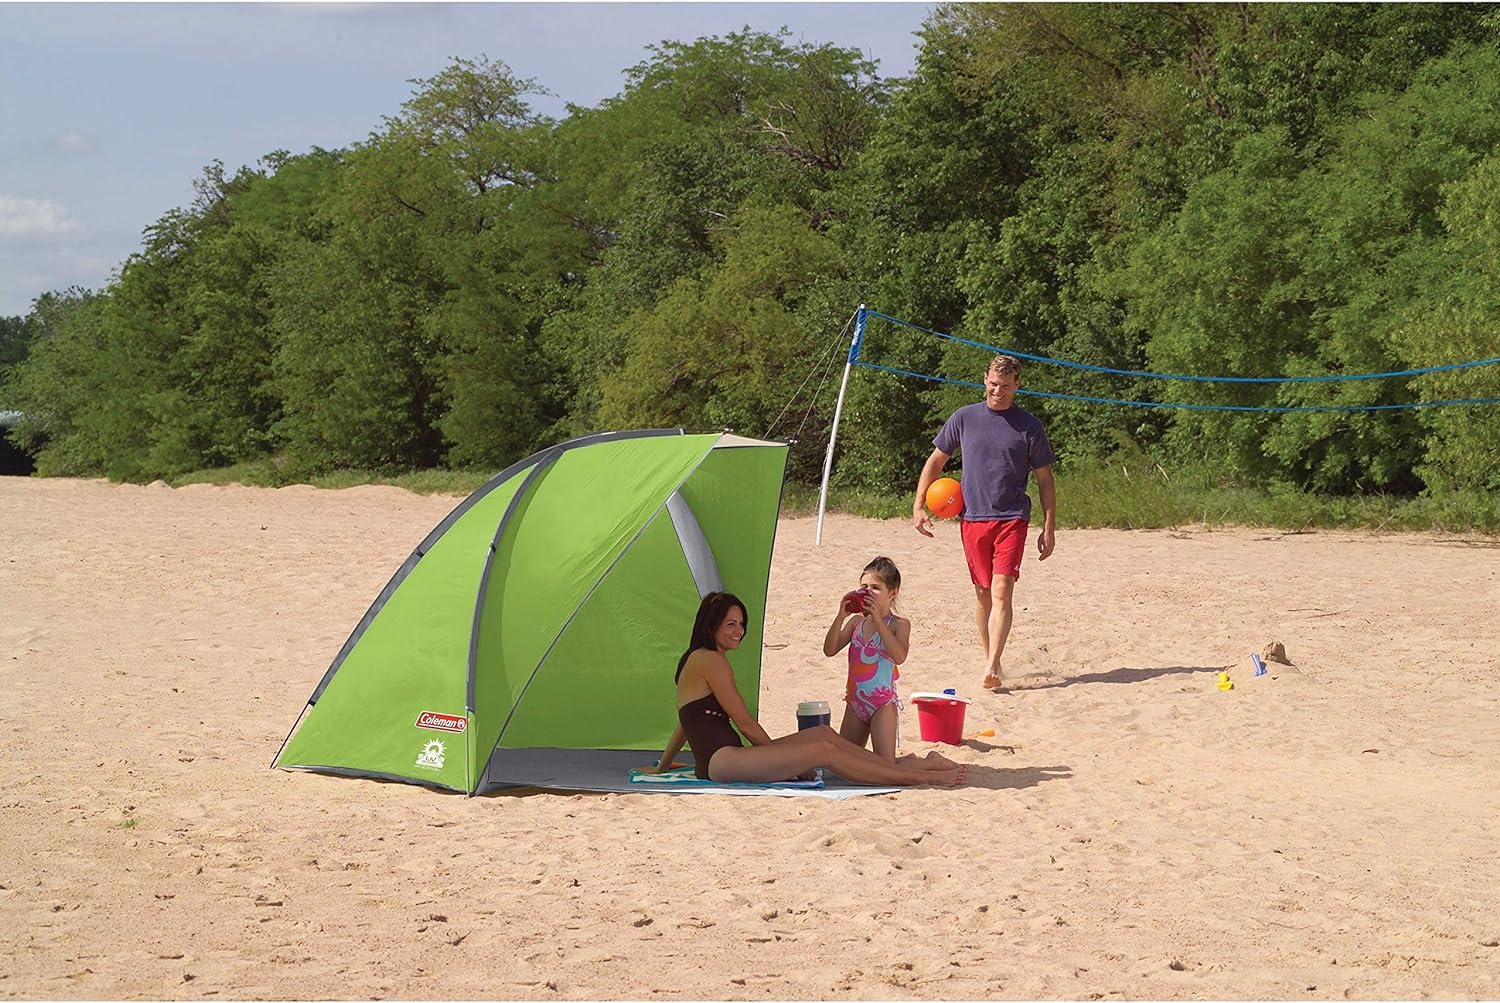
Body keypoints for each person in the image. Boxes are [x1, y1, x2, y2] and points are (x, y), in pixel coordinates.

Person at [643, 592, 966, 787]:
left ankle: (914, 765)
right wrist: (782, 761)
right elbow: (745, 724)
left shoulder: (697, 660)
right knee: (824, 751)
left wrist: (662, 764)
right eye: (731, 624)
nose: (739, 631)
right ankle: (925, 777)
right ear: (710, 625)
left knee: (824, 737)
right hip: (722, 762)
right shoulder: (711, 661)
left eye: (741, 624)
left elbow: (686, 720)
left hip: (725, 758)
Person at [913, 353, 1056, 693]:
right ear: (984, 380)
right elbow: (936, 461)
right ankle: (991, 656)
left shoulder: (1029, 426)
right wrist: (919, 505)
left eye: (1005, 386)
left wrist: (1049, 526)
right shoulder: (963, 418)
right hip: (972, 518)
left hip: (1012, 518)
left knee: (1002, 590)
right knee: (982, 595)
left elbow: (1045, 479)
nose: (998, 391)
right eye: (993, 384)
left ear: (1017, 386)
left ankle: (992, 665)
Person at [823, 556, 920, 764]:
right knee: (843, 763)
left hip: (882, 704)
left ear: (892, 593)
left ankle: (929, 762)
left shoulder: (899, 624)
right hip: (855, 703)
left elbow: (899, 656)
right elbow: (829, 650)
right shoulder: (856, 623)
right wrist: (841, 616)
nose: (868, 592)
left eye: (875, 588)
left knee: (885, 765)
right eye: (863, 586)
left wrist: (878, 619)